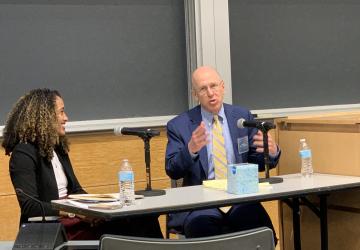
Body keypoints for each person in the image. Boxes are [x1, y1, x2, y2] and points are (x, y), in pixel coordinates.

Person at [2, 88, 162, 240]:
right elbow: (31, 207)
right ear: (44, 117)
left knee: (144, 217)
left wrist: (96, 208)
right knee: (135, 226)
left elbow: (76, 190)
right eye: (61, 112)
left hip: (75, 218)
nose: (66, 118)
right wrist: (75, 212)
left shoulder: (57, 147)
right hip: (54, 227)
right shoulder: (23, 154)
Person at [165, 66, 280, 241]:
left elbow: (257, 162)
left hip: (239, 198)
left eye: (214, 86)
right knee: (202, 229)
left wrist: (271, 153)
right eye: (203, 89)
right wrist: (190, 150)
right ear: (195, 94)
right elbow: (172, 169)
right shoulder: (179, 125)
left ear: (223, 87)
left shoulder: (241, 117)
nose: (211, 93)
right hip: (202, 201)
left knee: (261, 229)